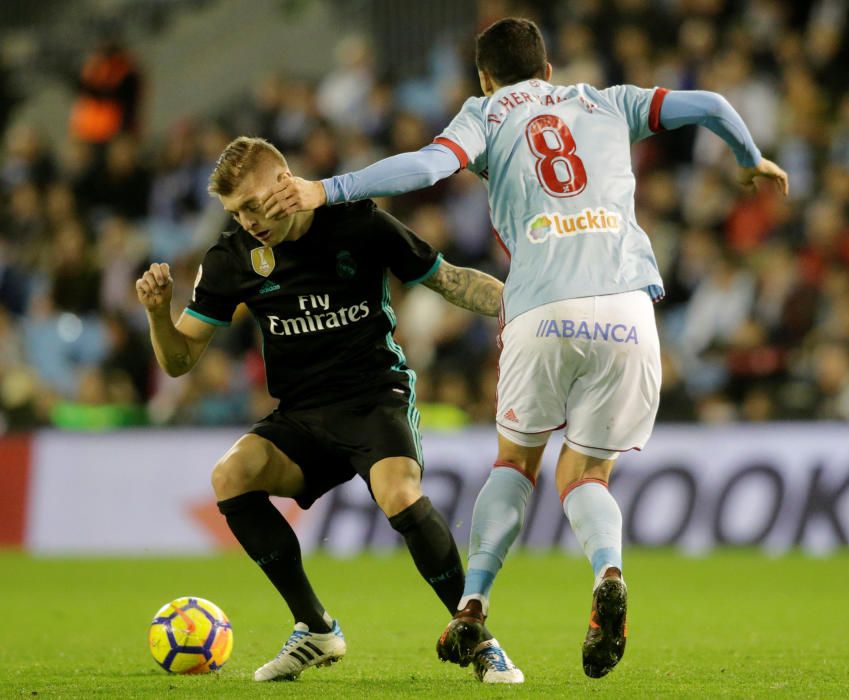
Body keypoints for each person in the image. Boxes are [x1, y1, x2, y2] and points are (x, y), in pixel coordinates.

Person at [262, 17, 789, 681]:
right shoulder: (607, 99)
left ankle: (473, 604)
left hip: (541, 305)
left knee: (515, 462)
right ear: (547, 70)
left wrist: (325, 188)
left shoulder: (483, 113)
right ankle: (608, 572)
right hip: (626, 303)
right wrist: (749, 159)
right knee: (586, 474)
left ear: (484, 77)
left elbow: (427, 166)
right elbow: (711, 105)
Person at [134, 135, 520, 684]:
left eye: (253, 204)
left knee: (400, 495)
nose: (247, 221)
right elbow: (179, 361)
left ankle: (480, 641)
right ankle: (315, 627)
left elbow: (450, 280)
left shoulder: (357, 224)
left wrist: (524, 306)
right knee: (231, 476)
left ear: (284, 181)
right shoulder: (231, 258)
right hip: (303, 414)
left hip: (374, 396)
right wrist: (156, 315)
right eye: (235, 211)